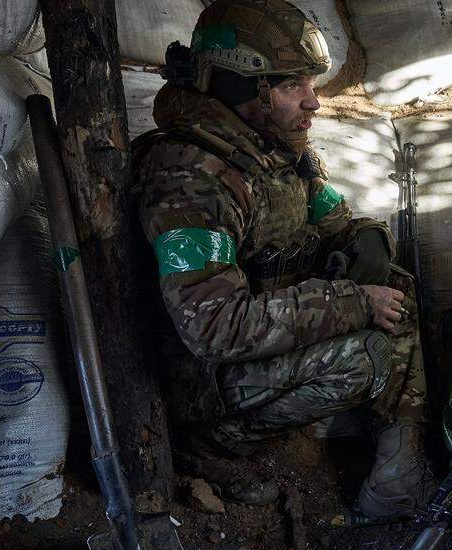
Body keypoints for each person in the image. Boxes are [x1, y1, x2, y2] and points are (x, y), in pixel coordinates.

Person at [131, 0, 433, 519]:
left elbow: (336, 220)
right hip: (205, 381)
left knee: (395, 286)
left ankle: (400, 472)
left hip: (262, 342)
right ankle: (217, 446)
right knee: (363, 355)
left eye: (309, 85)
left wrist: (367, 242)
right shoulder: (192, 182)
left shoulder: (276, 154)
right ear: (239, 86)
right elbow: (213, 328)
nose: (313, 103)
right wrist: (352, 302)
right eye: (292, 85)